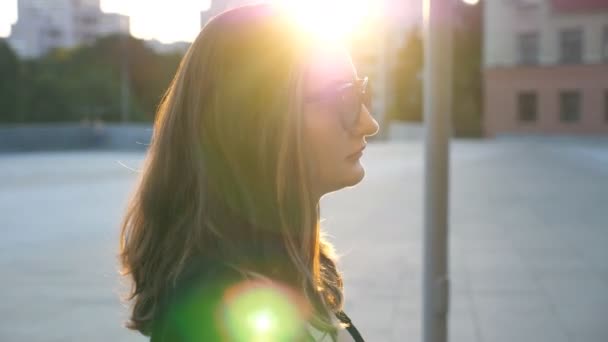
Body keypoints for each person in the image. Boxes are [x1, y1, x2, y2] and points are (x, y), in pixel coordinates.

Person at [119, 3, 378, 341]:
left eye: (361, 92)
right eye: (344, 98)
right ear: (256, 121)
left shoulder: (284, 268)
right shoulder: (217, 312)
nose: (368, 124)